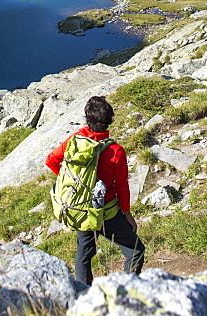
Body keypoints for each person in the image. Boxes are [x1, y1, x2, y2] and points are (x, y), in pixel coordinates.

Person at [45, 95, 145, 285]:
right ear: (109, 121)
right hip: (108, 214)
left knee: (84, 255)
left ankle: (83, 294)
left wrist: (72, 185)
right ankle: (126, 290)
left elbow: (51, 160)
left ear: (87, 118)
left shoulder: (74, 141)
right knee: (135, 250)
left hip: (82, 211)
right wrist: (128, 215)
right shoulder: (115, 151)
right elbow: (122, 187)